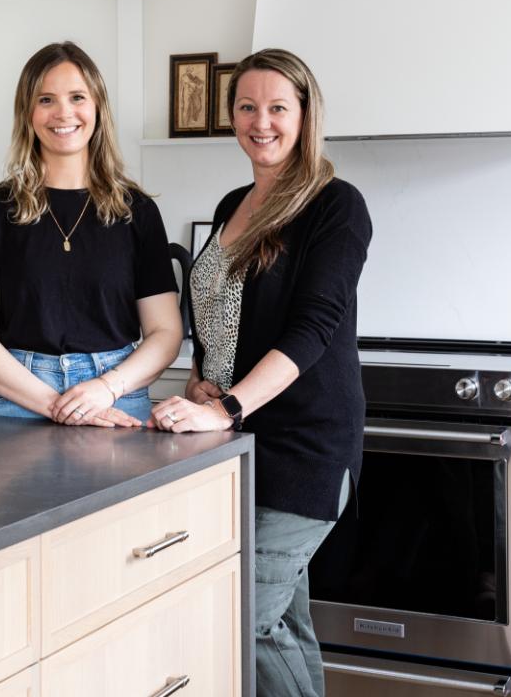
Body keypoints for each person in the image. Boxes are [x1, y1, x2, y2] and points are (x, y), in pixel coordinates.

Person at [151, 47, 371, 697]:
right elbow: (217, 307)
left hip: (304, 447)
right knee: (282, 623)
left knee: (243, 616)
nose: (261, 121)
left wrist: (226, 408)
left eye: (278, 107)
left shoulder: (335, 205)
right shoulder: (232, 204)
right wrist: (202, 376)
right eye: (247, 107)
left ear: (305, 115)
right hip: (239, 442)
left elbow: (313, 328)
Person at [0, 41, 183, 426]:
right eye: (46, 100)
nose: (63, 113)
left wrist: (104, 388)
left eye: (77, 97)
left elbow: (166, 332)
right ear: (27, 112)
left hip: (116, 396)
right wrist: (59, 406)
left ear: (97, 107)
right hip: (19, 401)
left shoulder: (136, 211)